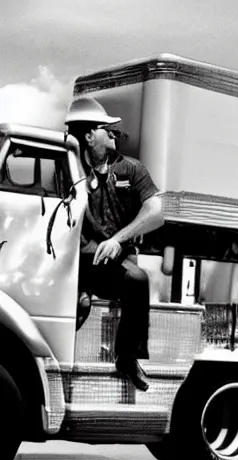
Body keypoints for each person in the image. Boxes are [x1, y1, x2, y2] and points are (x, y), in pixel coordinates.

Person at [65, 97, 165, 391]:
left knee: (136, 278)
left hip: (114, 263)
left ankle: (127, 357)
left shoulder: (131, 170)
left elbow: (157, 211)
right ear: (88, 136)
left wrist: (117, 239)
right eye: (106, 128)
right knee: (73, 299)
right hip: (76, 261)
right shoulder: (68, 169)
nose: (114, 133)